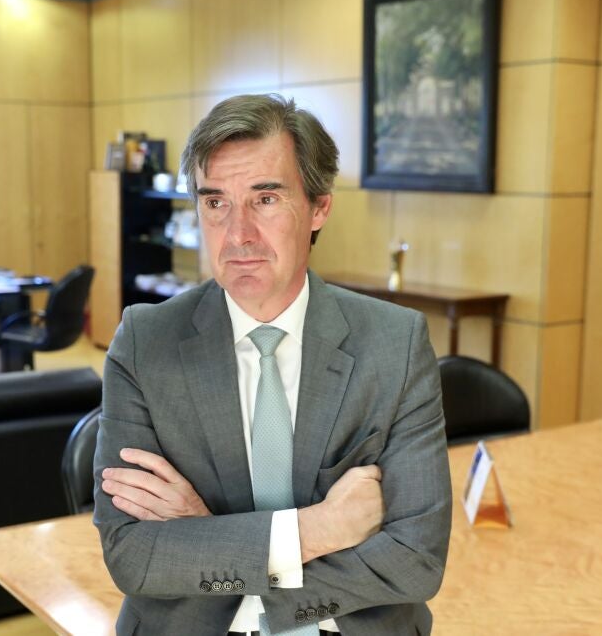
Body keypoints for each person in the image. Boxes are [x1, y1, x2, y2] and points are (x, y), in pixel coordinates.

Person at [93, 93, 452, 636]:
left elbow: (415, 560)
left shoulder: (394, 343)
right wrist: (317, 530)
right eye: (216, 202)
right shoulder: (146, 342)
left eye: (265, 199)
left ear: (319, 207)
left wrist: (210, 538)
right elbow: (133, 555)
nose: (237, 234)